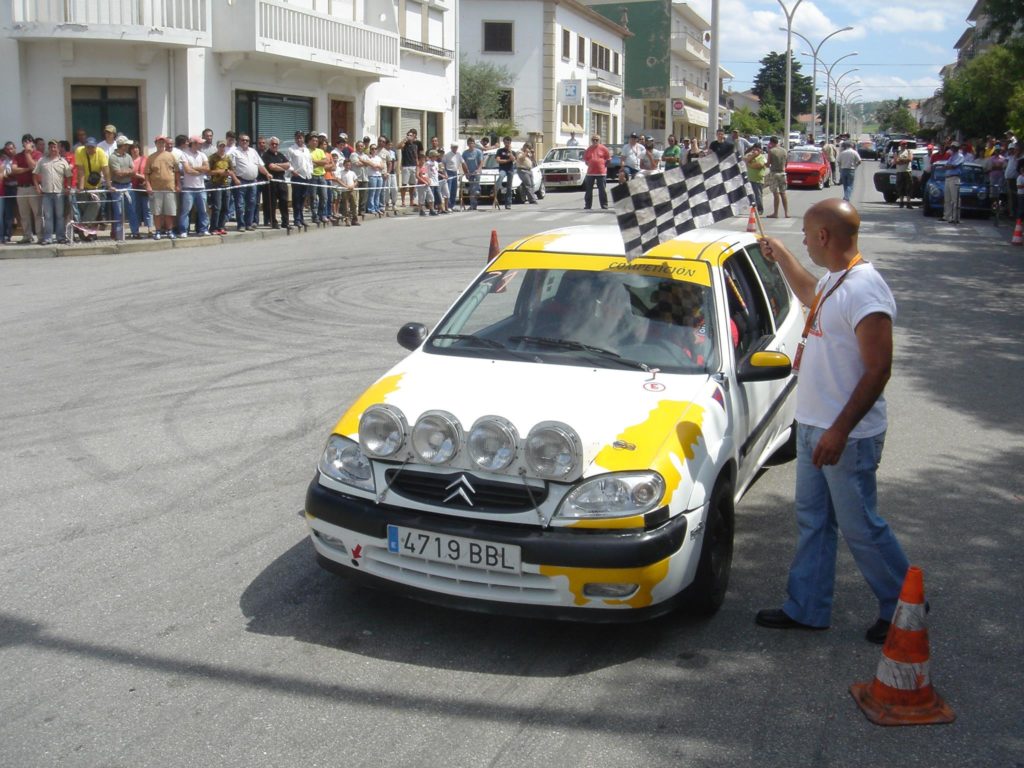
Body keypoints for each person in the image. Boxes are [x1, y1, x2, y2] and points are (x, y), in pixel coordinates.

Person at [755, 198, 910, 645]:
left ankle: (903, 607)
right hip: (814, 425)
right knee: (813, 520)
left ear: (824, 236)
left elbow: (879, 369)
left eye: (806, 235)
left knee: (860, 524)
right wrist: (782, 256)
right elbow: (810, 296)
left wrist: (840, 430)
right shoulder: (835, 280)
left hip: (846, 434)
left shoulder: (866, 289)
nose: (803, 241)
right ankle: (807, 607)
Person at [32, 140, 72, 245]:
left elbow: (69, 176)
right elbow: (35, 174)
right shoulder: (42, 161)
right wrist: (37, 187)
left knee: (60, 216)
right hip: (46, 193)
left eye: (54, 147)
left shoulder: (63, 161)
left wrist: (68, 187)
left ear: (58, 148)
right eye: (50, 147)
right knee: (48, 216)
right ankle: (48, 238)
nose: (53, 149)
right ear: (48, 149)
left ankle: (60, 237)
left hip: (59, 193)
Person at [232, 134, 271, 231]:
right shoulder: (234, 152)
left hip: (253, 181)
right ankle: (241, 224)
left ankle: (248, 224)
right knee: (240, 204)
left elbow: (260, 165)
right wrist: (235, 179)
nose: (245, 142)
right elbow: (232, 168)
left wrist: (267, 173)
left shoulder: (253, 152)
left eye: (247, 140)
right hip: (241, 181)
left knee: (252, 203)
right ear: (239, 141)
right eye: (243, 140)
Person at [144, 135, 180, 240]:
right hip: (156, 189)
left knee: (169, 212)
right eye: (159, 142)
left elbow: (177, 171)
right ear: (155, 144)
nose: (161, 144)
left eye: (163, 142)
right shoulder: (151, 158)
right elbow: (147, 174)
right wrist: (148, 185)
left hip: (170, 188)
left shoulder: (171, 156)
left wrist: (178, 184)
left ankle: (169, 231)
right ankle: (158, 231)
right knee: (157, 212)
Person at [13, 133, 43, 243]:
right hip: (21, 188)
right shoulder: (17, 156)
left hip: (33, 187)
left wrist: (27, 153)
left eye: (29, 141)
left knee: (37, 213)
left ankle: (40, 236)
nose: (27, 143)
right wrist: (27, 169)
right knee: (23, 214)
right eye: (25, 141)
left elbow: (34, 167)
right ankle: (27, 236)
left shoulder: (38, 154)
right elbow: (14, 170)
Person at [177, 136, 210, 237]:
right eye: (200, 143)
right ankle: (183, 230)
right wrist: (200, 171)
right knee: (185, 211)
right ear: (194, 143)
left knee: (203, 210)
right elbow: (187, 170)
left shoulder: (202, 155)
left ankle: (203, 229)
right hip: (188, 187)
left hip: (201, 187)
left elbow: (207, 168)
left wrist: (195, 169)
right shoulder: (184, 155)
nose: (201, 145)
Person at [109, 136, 139, 239]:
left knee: (132, 209)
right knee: (118, 211)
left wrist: (124, 171)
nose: (128, 146)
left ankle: (135, 232)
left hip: (128, 185)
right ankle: (119, 234)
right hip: (117, 186)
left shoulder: (128, 156)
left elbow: (133, 171)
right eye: (126, 144)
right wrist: (128, 172)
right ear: (122, 145)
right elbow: (117, 173)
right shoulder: (113, 157)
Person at [208, 140, 238, 235]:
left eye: (224, 146)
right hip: (216, 184)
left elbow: (232, 170)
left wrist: (235, 179)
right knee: (217, 207)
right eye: (220, 146)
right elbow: (208, 172)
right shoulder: (212, 158)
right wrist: (219, 172)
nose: (222, 148)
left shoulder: (228, 158)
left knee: (225, 207)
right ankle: (213, 227)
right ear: (217, 147)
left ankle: (221, 226)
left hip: (226, 184)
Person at [261, 137, 291, 229]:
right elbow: (271, 167)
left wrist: (277, 165)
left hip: (281, 180)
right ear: (269, 145)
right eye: (272, 144)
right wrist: (282, 167)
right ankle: (273, 222)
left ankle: (285, 222)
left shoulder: (281, 155)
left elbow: (288, 165)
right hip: (272, 182)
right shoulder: (266, 155)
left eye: (276, 144)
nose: (274, 145)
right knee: (272, 203)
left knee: (284, 202)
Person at [286, 130, 313, 229]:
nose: (299, 139)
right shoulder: (291, 149)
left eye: (301, 137)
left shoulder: (306, 149)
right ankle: (296, 219)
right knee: (296, 199)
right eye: (297, 137)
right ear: (295, 138)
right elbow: (287, 163)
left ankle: (301, 219)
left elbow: (309, 163)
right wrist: (293, 171)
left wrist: (310, 172)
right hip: (297, 177)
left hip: (306, 177)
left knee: (303, 199)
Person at [583, 133, 610, 210]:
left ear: (599, 140)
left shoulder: (604, 148)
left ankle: (604, 205)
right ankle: (588, 205)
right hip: (590, 173)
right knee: (588, 190)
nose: (595, 141)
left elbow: (608, 160)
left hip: (601, 173)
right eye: (593, 140)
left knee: (602, 190)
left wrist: (603, 166)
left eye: (596, 140)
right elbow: (586, 160)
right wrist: (591, 164)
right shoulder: (588, 149)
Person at [397, 128, 423, 208]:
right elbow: (398, 146)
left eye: (410, 135)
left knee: (412, 185)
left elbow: (417, 154)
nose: (409, 136)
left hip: (413, 166)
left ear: (414, 136)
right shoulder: (405, 144)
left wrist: (418, 163)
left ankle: (412, 201)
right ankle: (403, 202)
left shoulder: (415, 144)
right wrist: (405, 139)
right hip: (406, 166)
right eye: (408, 135)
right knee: (404, 184)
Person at [766, 136, 789, 219]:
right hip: (783, 173)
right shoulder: (784, 151)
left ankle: (776, 213)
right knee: (783, 193)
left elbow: (768, 163)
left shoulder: (771, 151)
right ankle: (786, 213)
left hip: (774, 173)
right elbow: (786, 163)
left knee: (776, 194)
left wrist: (764, 165)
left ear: (771, 142)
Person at [943, 141, 964, 225]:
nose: (953, 148)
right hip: (948, 178)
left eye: (955, 147)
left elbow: (953, 166)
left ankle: (955, 217)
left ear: (958, 148)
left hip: (955, 178)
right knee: (947, 199)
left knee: (955, 199)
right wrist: (948, 166)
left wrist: (948, 166)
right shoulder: (951, 156)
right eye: (952, 147)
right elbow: (946, 166)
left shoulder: (960, 156)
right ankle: (946, 216)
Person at [442, 142, 467, 209]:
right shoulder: (447, 155)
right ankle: (448, 205)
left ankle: (452, 205)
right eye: (453, 147)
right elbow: (443, 164)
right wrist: (445, 173)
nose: (455, 148)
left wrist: (466, 172)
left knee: (454, 190)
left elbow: (463, 163)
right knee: (448, 190)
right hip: (449, 172)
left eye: (456, 147)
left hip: (455, 172)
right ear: (451, 147)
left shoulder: (458, 154)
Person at [744, 144, 767, 215]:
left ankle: (760, 209)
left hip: (758, 179)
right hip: (750, 178)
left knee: (758, 195)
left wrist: (749, 164)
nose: (755, 151)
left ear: (761, 150)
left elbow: (758, 165)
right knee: (750, 195)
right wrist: (752, 156)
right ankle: (753, 208)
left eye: (757, 149)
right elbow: (745, 159)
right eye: (754, 149)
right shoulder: (750, 156)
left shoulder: (762, 157)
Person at [462, 137, 483, 210]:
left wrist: (478, 170)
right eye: (469, 143)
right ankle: (473, 205)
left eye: (472, 143)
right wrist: (466, 173)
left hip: (476, 172)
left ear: (474, 144)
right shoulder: (465, 153)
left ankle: (478, 191)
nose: (471, 144)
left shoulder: (478, 152)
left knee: (475, 187)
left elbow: (481, 162)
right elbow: (463, 164)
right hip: (469, 173)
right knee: (471, 189)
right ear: (467, 144)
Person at [336, 157, 359, 226]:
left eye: (349, 165)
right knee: (346, 205)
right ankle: (347, 219)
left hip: (352, 190)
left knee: (354, 205)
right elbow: (338, 180)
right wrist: (345, 186)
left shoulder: (352, 173)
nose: (348, 166)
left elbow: (356, 181)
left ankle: (354, 220)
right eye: (346, 165)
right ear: (344, 165)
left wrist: (353, 186)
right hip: (345, 190)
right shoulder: (341, 172)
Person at [495, 136, 515, 209]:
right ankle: (495, 190)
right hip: (502, 169)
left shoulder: (512, 152)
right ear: (503, 142)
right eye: (506, 142)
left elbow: (513, 159)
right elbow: (498, 160)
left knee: (509, 187)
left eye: (508, 142)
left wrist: (510, 151)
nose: (507, 144)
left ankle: (508, 203)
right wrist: (507, 161)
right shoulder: (500, 151)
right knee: (500, 176)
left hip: (510, 169)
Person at [894, 141, 913, 209]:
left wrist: (901, 160)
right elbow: (896, 161)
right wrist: (904, 160)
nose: (904, 145)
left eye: (905, 144)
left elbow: (910, 159)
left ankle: (908, 203)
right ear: (900, 145)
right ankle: (901, 202)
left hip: (907, 171)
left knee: (909, 187)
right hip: (900, 171)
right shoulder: (897, 152)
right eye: (902, 144)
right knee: (900, 187)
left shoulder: (909, 151)